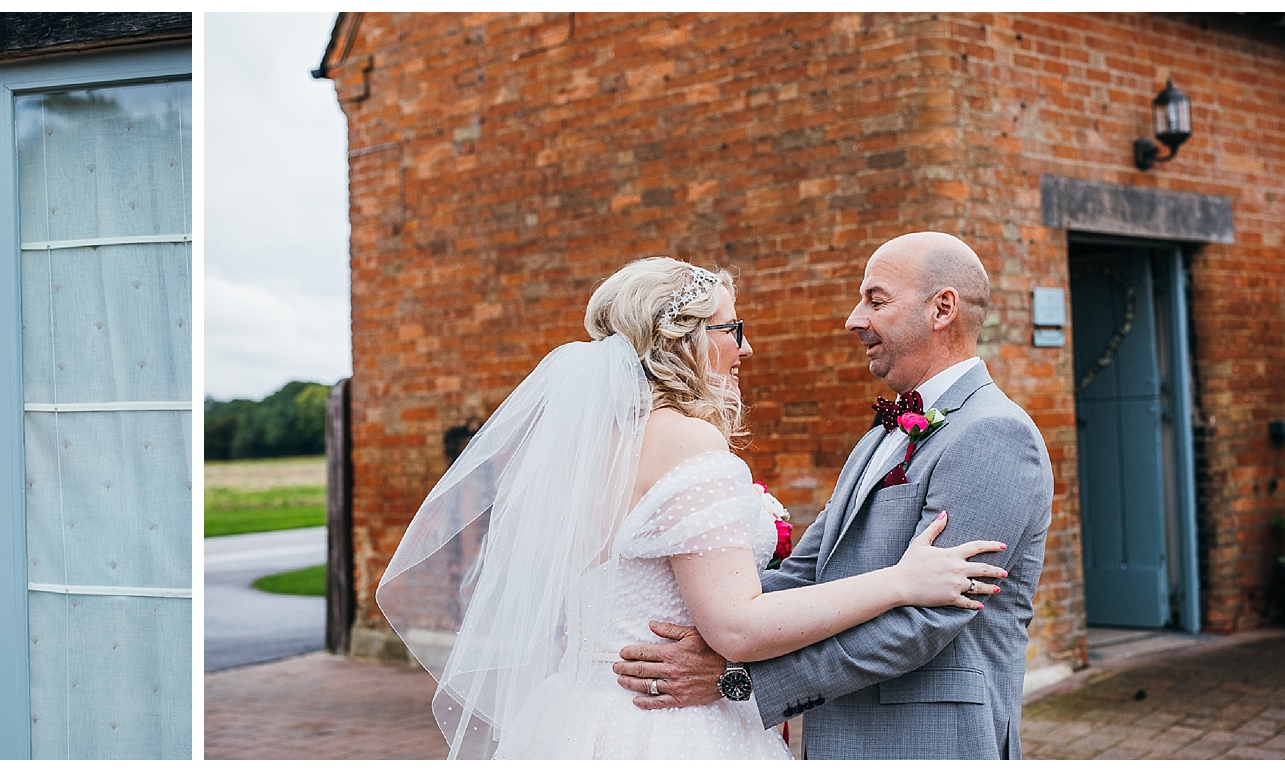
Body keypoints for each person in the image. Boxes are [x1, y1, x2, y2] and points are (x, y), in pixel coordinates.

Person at [376, 256, 1012, 759]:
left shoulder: (595, 450)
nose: (746, 348)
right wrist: (901, 581)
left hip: (582, 709)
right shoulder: (685, 439)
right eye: (731, 329)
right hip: (668, 727)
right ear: (680, 340)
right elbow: (736, 624)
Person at [611, 233, 1054, 759]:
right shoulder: (879, 437)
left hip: (925, 744)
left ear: (942, 309)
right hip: (839, 738)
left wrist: (738, 677)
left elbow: (926, 621)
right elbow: (806, 573)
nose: (853, 319)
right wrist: (702, 618)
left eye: (876, 299)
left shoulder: (994, 434)